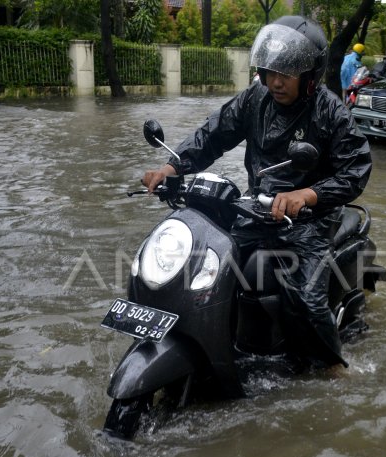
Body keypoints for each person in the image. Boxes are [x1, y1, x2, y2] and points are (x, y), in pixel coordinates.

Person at [142, 16, 372, 369]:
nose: (276, 82)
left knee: (306, 298)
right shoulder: (255, 98)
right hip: (257, 209)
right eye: (269, 71)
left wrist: (307, 195)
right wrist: (172, 168)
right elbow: (214, 134)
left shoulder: (330, 112)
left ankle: (334, 368)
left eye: (287, 74)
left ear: (310, 76)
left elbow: (356, 170)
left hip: (313, 219)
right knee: (208, 264)